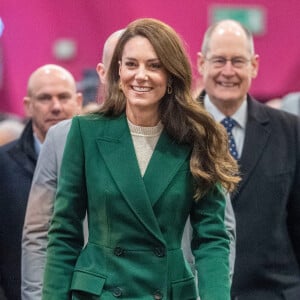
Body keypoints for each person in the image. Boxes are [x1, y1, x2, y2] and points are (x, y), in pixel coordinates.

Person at [42, 18, 239, 300]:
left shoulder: (198, 137)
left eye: (154, 65)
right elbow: (63, 233)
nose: (140, 75)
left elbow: (212, 239)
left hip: (168, 291)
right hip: (101, 293)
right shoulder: (86, 132)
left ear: (171, 75)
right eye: (131, 64)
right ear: (118, 70)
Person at [197, 19, 300, 299]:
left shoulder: (291, 131)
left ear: (254, 65)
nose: (228, 71)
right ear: (201, 63)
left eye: (238, 61)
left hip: (273, 292)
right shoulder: (175, 130)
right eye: (219, 60)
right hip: (197, 291)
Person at [21, 29, 124, 300]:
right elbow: (40, 234)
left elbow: (212, 232)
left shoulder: (182, 135)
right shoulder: (62, 137)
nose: (130, 74)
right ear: (102, 72)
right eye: (121, 65)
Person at [0, 64, 82, 300]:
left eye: (64, 97)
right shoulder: (3, 166)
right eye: (45, 98)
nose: (56, 107)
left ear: (78, 100)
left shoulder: (98, 158)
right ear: (28, 106)